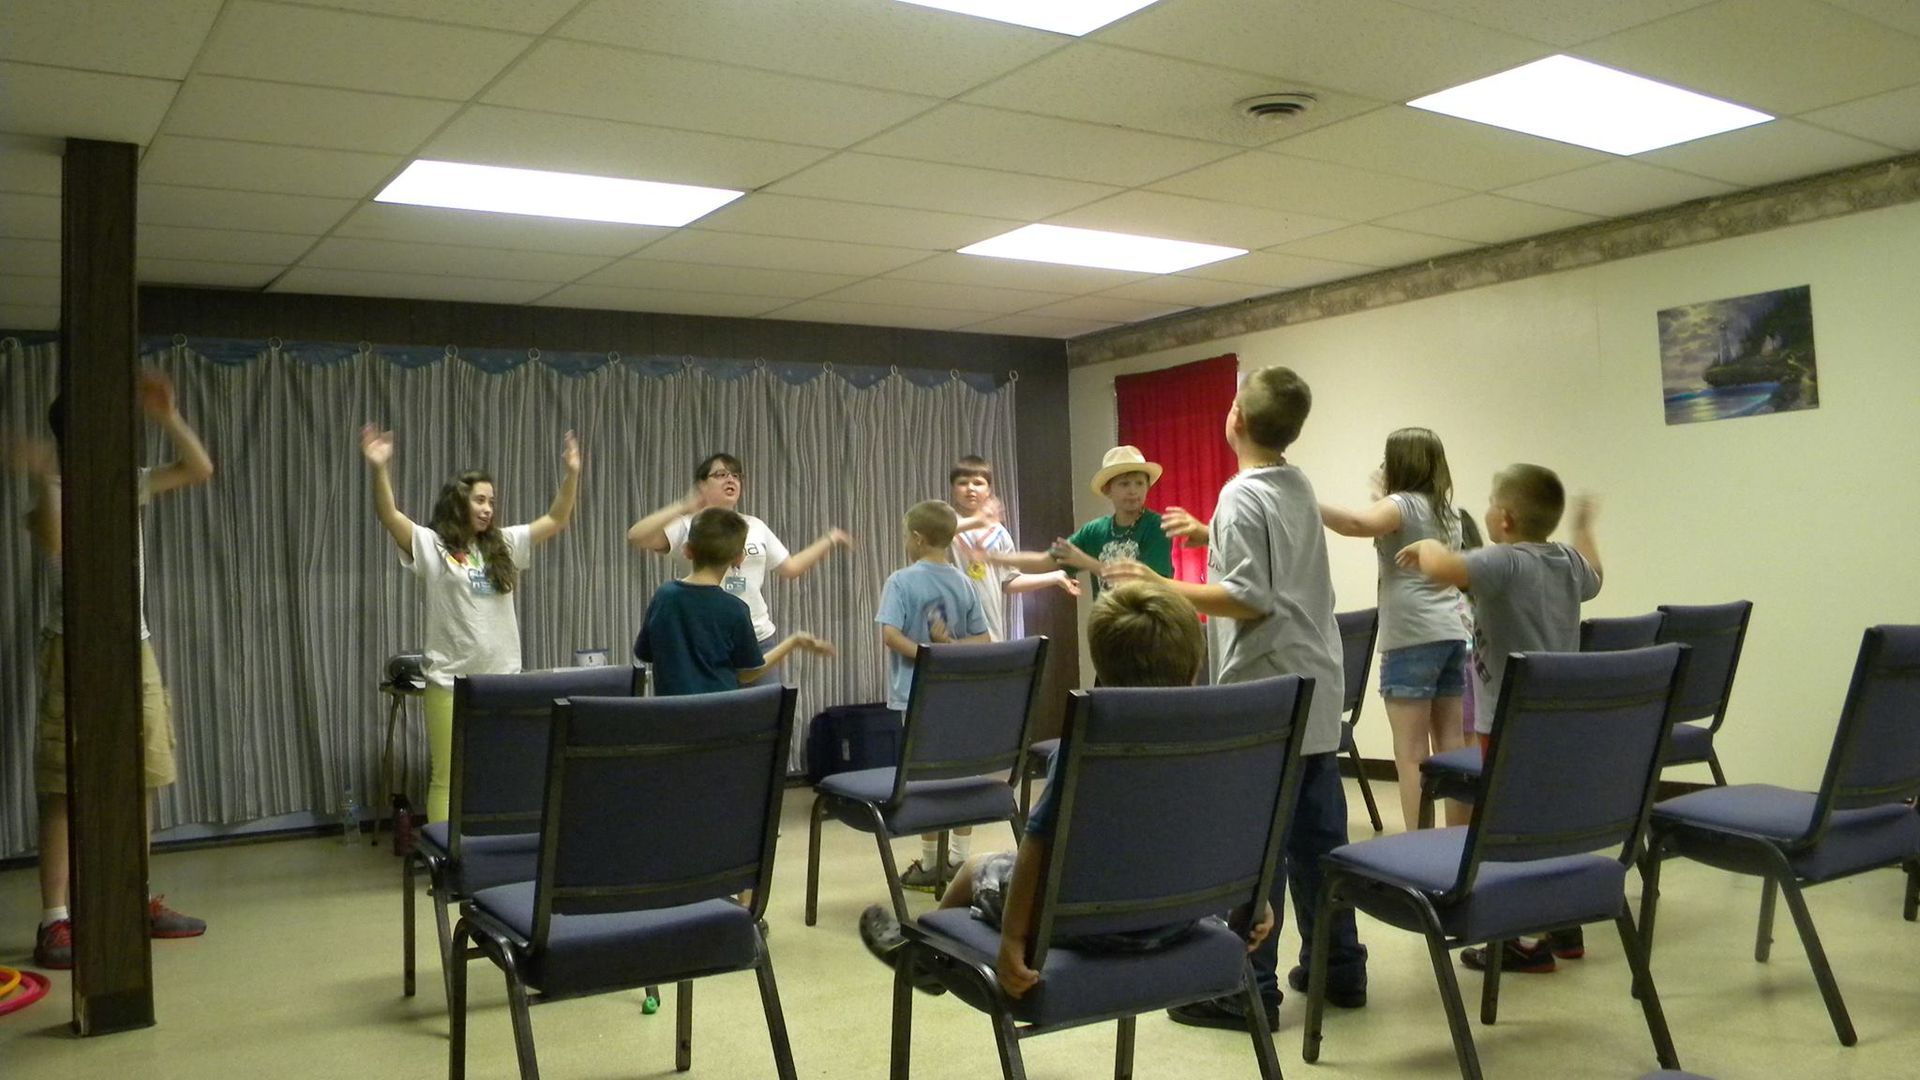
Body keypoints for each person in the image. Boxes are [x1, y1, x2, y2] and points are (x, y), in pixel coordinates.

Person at [857, 581, 1275, 998]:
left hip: (1078, 929)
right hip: (1176, 922)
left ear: (1101, 666)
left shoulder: (1085, 749)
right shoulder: (1218, 745)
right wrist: (1255, 902)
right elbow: (1238, 829)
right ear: (1194, 665)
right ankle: (931, 958)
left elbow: (1037, 851)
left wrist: (1016, 942)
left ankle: (929, 964)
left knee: (974, 869)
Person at [1107, 365, 1367, 1029]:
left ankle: (1244, 988)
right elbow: (1271, 560)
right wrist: (1207, 537)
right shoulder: (1293, 483)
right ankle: (1340, 967)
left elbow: (1249, 597)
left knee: (1256, 851)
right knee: (1319, 839)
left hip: (1263, 694)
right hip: (1313, 684)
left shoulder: (1241, 496)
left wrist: (1158, 584)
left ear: (1236, 422)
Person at [19, 372, 214, 970]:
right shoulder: (54, 488)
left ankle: (131, 899)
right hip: (72, 648)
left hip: (136, 646)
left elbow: (199, 468)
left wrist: (167, 417)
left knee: (143, 773)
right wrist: (48, 474)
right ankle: (57, 921)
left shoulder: (127, 483)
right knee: (64, 782)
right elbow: (56, 540)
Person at [1397, 464, 1602, 973]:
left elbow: (1444, 569)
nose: (1485, 508)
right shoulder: (1568, 563)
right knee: (1548, 819)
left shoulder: (1504, 561)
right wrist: (1582, 527)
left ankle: (1519, 941)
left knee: (1507, 828)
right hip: (1560, 722)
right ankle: (1563, 925)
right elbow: (1597, 574)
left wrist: (1425, 547)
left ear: (1505, 518)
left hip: (1507, 723)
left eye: (1490, 501)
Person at [360, 424, 580, 823]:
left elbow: (556, 519)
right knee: (449, 776)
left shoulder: (505, 545)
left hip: (503, 680)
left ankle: (491, 848)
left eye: (492, 501)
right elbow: (389, 515)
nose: (487, 508)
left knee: (501, 771)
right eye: (480, 500)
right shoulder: (434, 545)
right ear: (459, 501)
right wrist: (379, 469)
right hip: (450, 682)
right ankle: (447, 861)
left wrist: (572, 475)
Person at [1319, 428, 1471, 830]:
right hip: (1452, 634)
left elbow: (1354, 523)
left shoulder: (1401, 505)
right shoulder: (1446, 511)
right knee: (1451, 745)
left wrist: (1305, 501)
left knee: (1411, 753)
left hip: (1412, 638)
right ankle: (1458, 839)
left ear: (1400, 463)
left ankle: (1419, 849)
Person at [627, 453, 851, 668]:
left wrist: (830, 539)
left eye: (736, 475)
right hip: (709, 639)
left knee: (764, 706)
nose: (731, 479)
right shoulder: (689, 525)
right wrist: (684, 505)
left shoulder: (755, 525)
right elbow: (637, 536)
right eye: (721, 474)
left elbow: (790, 567)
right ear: (702, 484)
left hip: (758, 636)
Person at [875, 500, 991, 891]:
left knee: (924, 781)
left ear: (917, 538)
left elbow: (890, 636)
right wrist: (950, 650)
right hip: (959, 697)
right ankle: (958, 857)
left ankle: (929, 865)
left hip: (916, 696)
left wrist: (930, 654)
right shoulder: (964, 582)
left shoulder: (901, 581)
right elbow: (983, 639)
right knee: (960, 776)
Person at [636, 507, 836, 695]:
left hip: (670, 721)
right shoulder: (735, 609)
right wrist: (794, 641)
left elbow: (645, 653)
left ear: (687, 550)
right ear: (740, 558)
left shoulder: (664, 596)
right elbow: (747, 673)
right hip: (722, 720)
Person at [982, 445, 1175, 598]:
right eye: (1124, 484)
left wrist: (1086, 562)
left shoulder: (1155, 526)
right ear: (1108, 490)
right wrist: (995, 557)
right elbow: (1044, 561)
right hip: (1109, 627)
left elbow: (1148, 583)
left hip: (1150, 628)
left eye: (1139, 483)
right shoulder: (1094, 531)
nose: (1133, 491)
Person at [946, 455, 1076, 644]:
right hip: (950, 631)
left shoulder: (999, 533)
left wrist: (1054, 577)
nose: (971, 488)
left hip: (990, 631)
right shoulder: (946, 523)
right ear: (953, 489)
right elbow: (932, 531)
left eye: (978, 483)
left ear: (989, 490)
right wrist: (978, 521)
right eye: (963, 483)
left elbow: (1008, 582)